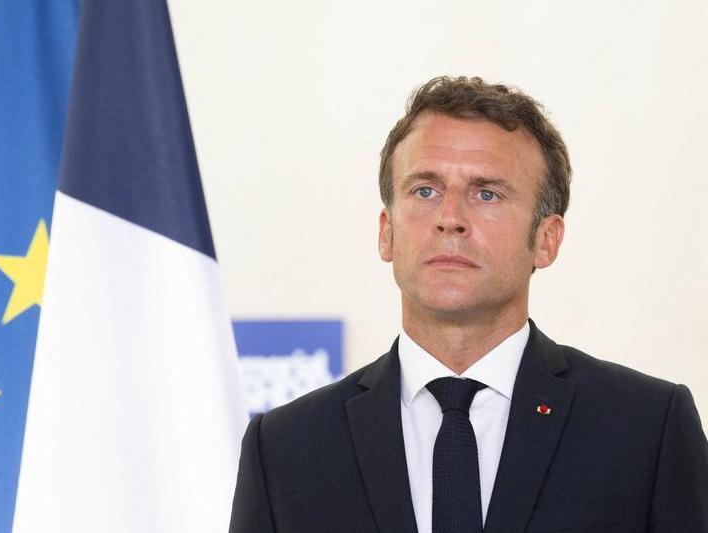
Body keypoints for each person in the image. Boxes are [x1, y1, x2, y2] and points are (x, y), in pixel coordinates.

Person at [228, 76, 708, 533]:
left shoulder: (647, 428)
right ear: (386, 232)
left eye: (486, 194)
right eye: (425, 190)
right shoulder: (286, 447)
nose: (450, 217)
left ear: (546, 240)